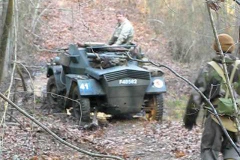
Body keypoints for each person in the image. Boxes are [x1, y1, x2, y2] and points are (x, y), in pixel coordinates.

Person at [183, 34, 240, 160]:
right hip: (235, 116)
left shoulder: (208, 69)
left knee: (208, 149)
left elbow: (196, 97)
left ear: (216, 48)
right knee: (233, 148)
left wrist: (190, 119)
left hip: (214, 116)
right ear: (232, 48)